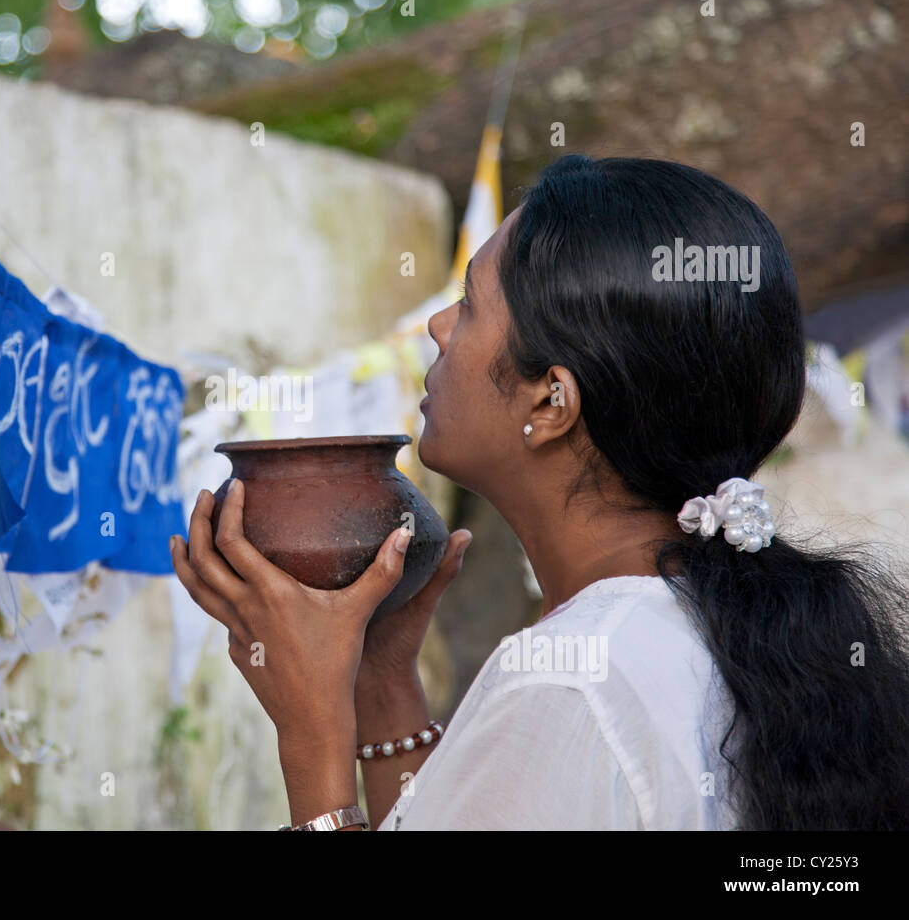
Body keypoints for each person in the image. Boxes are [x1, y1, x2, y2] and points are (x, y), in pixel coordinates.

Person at [169, 154, 909, 830]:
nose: (433, 326)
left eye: (468, 305)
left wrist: (311, 737)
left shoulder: (571, 682)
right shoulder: (697, 629)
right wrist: (382, 684)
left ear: (551, 402)